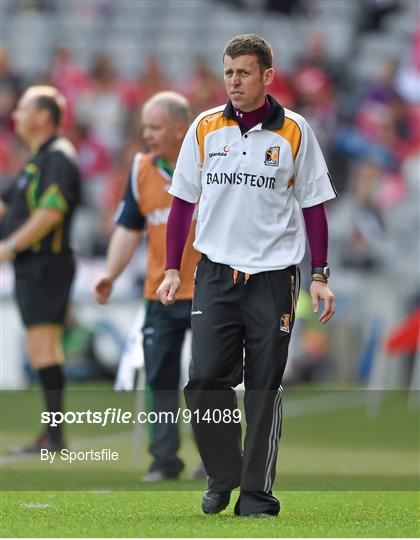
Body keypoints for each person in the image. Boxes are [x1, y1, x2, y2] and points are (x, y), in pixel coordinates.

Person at [157, 34, 337, 517]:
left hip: (274, 278)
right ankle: (222, 473)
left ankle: (256, 495)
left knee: (263, 386)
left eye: (244, 72)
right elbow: (182, 203)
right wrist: (173, 268)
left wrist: (319, 274)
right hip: (214, 273)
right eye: (229, 72)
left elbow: (315, 209)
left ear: (267, 76)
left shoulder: (296, 132)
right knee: (204, 382)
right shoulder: (203, 127)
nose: (234, 81)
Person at [93, 91, 201, 481]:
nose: (147, 134)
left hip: (209, 291)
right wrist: (110, 273)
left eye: (155, 127)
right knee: (158, 376)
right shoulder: (141, 169)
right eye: (145, 127)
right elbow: (128, 228)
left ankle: (216, 458)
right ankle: (164, 460)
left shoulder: (211, 164)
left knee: (209, 379)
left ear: (179, 129)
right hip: (160, 291)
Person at [0, 85, 81, 452]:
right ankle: (54, 434)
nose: (15, 115)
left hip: (47, 262)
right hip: (33, 265)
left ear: (44, 116)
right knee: (41, 349)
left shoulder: (58, 156)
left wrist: (9, 246)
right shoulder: (36, 161)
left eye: (22, 109)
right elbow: (8, 206)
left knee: (44, 347)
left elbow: (51, 211)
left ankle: (55, 436)